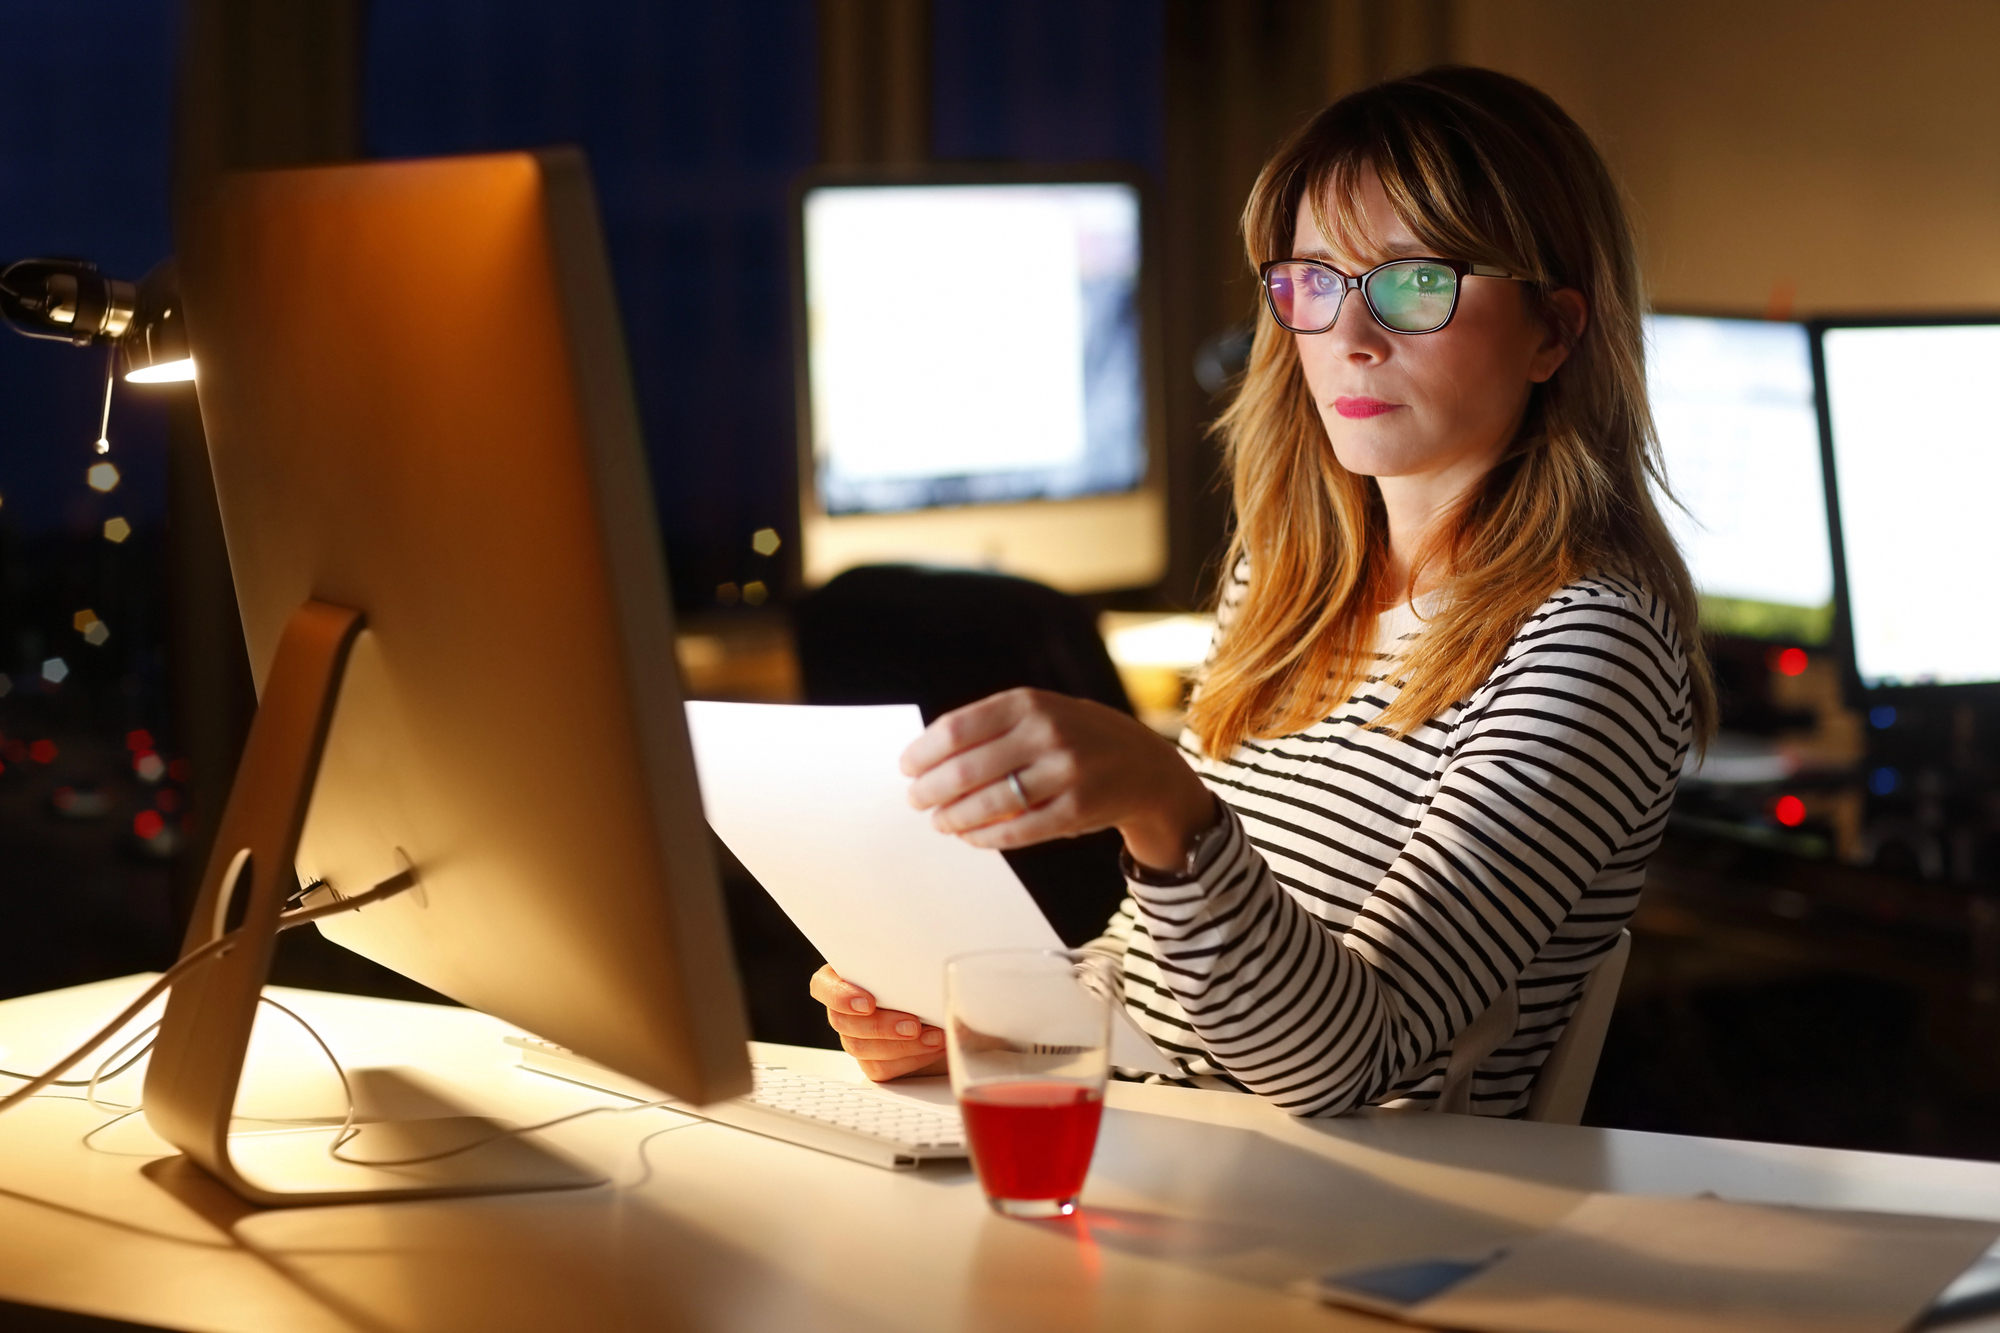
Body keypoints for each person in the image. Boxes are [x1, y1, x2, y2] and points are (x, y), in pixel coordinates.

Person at [809, 65, 1715, 1118]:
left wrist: (1164, 804)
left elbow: (1343, 1064)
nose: (1348, 336)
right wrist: (983, 1023)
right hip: (1174, 1156)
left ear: (1553, 331)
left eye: (1415, 281)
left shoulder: (1585, 642)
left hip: (1344, 1217)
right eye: (1311, 281)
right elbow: (1160, 984)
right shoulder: (1287, 578)